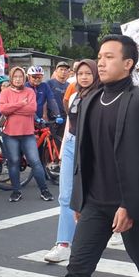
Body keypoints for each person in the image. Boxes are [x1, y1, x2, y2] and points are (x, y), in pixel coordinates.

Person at [49, 35, 139, 277]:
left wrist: (132, 206)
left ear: (128, 64)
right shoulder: (89, 99)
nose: (101, 62)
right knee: (78, 266)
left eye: (109, 57)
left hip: (131, 205)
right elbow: (82, 156)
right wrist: (79, 200)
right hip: (94, 203)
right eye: (99, 56)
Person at [44, 59, 99, 264]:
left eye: (88, 73)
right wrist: (64, 148)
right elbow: (70, 122)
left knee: (94, 194)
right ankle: (64, 243)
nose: (84, 77)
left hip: (91, 147)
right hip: (70, 145)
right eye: (80, 73)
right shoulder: (74, 95)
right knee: (65, 195)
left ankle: (102, 232)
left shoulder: (101, 96)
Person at [0, 66, 54, 203]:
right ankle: (16, 191)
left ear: (24, 78)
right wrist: (20, 104)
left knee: (35, 162)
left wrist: (13, 108)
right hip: (10, 133)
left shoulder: (29, 91)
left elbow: (31, 109)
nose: (18, 79)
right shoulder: (5, 92)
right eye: (15, 76)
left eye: (20, 76)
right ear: (11, 78)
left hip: (28, 133)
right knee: (13, 162)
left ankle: (44, 190)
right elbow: (2, 109)